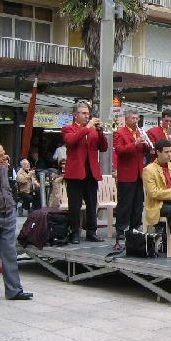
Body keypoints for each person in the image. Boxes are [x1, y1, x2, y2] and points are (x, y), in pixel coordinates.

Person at [0, 142, 32, 302]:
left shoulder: (3, 167)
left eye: (4, 153)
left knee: (10, 253)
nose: (4, 157)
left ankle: (14, 290)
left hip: (8, 214)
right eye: (0, 155)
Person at [62, 101, 108, 244]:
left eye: (88, 113)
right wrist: (87, 128)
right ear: (75, 115)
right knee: (75, 205)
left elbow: (104, 147)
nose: (86, 116)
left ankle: (91, 232)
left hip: (91, 172)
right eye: (83, 113)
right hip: (75, 172)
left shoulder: (93, 130)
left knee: (92, 203)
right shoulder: (68, 129)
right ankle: (75, 232)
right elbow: (71, 142)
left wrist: (100, 133)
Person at [114, 110, 150, 240]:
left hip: (139, 173)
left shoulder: (140, 132)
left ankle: (135, 227)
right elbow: (119, 150)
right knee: (125, 203)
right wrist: (135, 143)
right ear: (127, 119)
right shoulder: (120, 132)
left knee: (138, 203)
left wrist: (146, 144)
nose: (136, 121)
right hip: (126, 173)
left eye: (137, 118)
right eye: (133, 118)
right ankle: (121, 228)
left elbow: (144, 151)